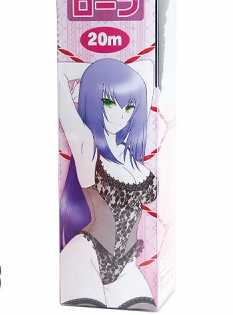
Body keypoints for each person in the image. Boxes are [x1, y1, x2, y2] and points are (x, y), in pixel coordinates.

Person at [58, 58, 157, 310]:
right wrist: (95, 76)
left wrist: (110, 78)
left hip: (126, 266)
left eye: (128, 107)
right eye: (110, 103)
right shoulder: (86, 144)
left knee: (149, 308)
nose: (119, 115)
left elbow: (148, 67)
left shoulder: (131, 152)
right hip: (86, 255)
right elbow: (58, 75)